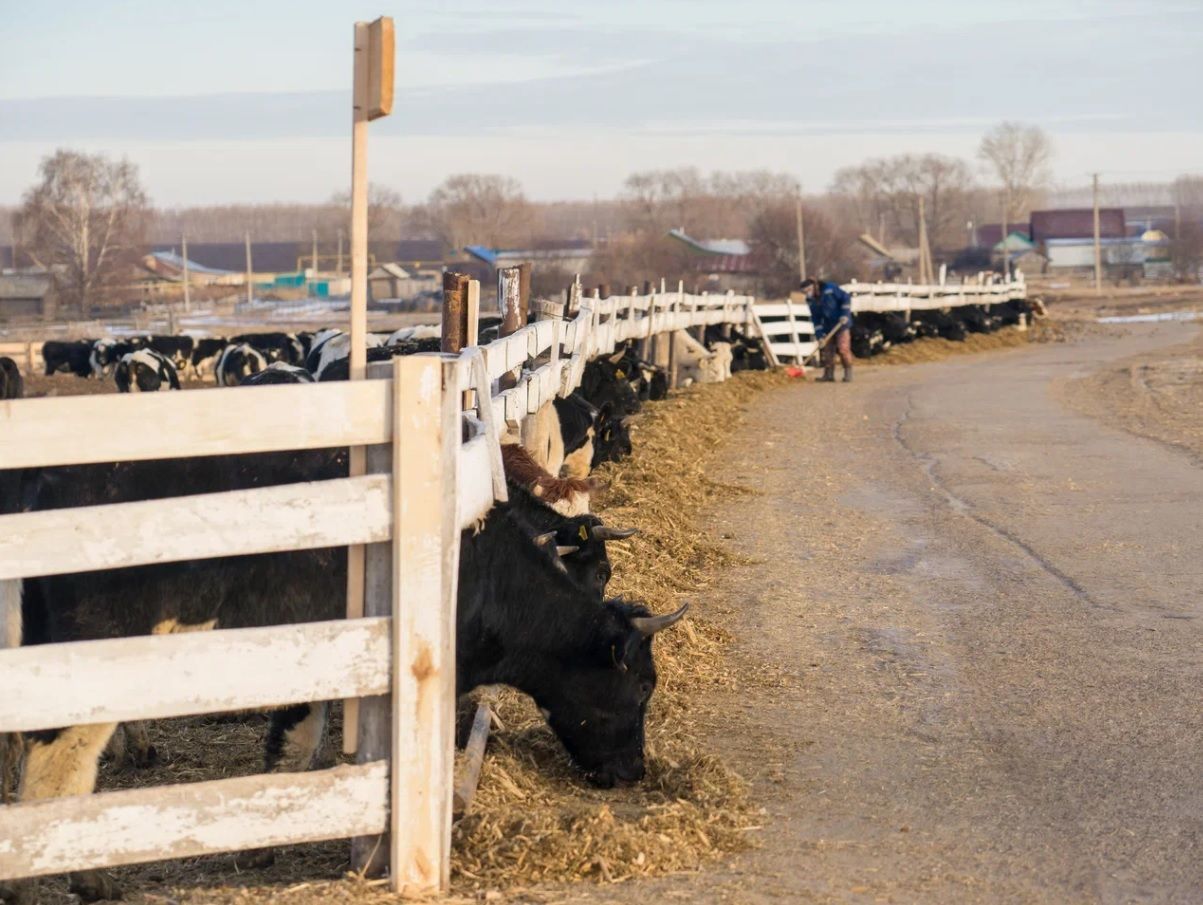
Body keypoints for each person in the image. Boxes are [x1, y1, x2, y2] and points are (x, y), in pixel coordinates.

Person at [801, 277, 854, 383]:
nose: (808, 293)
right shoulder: (811, 301)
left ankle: (848, 371)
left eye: (809, 290)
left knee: (843, 349)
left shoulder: (830, 289)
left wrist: (844, 314)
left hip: (841, 324)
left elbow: (845, 298)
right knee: (827, 351)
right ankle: (828, 374)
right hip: (827, 327)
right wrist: (820, 336)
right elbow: (815, 319)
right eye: (805, 292)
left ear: (815, 286)